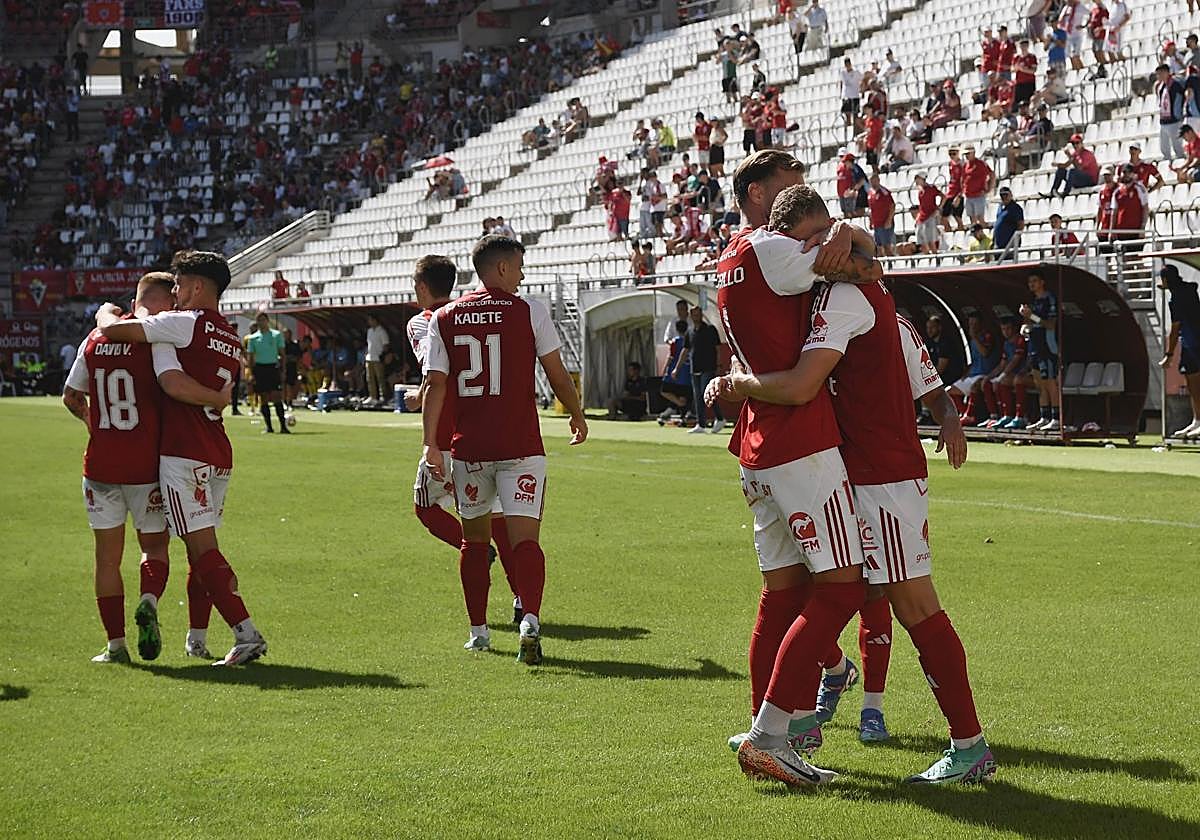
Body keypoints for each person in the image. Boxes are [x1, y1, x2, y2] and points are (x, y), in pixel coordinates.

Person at [714, 182, 993, 785]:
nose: (824, 250)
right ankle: (791, 722)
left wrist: (947, 418)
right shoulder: (843, 293)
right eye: (816, 241)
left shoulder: (848, 298)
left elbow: (806, 385)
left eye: (829, 239)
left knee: (910, 603)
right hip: (854, 469)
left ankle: (969, 745)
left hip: (881, 474)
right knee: (839, 594)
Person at [708, 154, 877, 787]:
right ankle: (769, 735)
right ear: (760, 194)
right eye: (789, 186)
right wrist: (842, 234)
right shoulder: (771, 250)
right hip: (798, 444)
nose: (804, 197)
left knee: (782, 596)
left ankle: (772, 737)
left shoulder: (735, 256)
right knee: (840, 589)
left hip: (758, 443)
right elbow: (860, 261)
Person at [96, 250, 268, 667]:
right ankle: (196, 636)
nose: (174, 293)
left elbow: (126, 341)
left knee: (202, 549)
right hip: (217, 451)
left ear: (195, 287)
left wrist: (103, 313)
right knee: (201, 549)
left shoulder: (183, 323)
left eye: (178, 284)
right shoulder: (229, 333)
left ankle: (246, 633)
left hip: (184, 453)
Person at [421, 235, 587, 664]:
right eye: (518, 266)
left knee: (474, 544)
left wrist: (430, 446)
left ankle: (478, 633)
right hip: (521, 447)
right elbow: (556, 372)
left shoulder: (445, 316)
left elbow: (434, 385)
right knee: (525, 541)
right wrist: (576, 413)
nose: (523, 274)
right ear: (500, 269)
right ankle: (529, 618)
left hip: (470, 449)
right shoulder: (530, 310)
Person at [63, 272, 228, 664]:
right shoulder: (156, 341)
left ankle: (115, 646)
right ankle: (149, 601)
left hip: (99, 464)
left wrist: (95, 426)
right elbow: (174, 386)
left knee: (106, 558)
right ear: (164, 303)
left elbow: (71, 397)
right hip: (146, 467)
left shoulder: (95, 337)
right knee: (154, 548)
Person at [405, 255, 522, 624]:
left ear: (423, 287)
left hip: (444, 436)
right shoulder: (469, 312)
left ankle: (473, 549)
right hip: (485, 430)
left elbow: (435, 372)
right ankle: (521, 598)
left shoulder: (423, 322)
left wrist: (419, 396)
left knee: (425, 507)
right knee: (501, 518)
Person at [1159, 264, 1200, 438]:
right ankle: (1197, 420)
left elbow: (1175, 328)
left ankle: (1199, 421)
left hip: (1193, 343)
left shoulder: (1175, 299)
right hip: (1192, 342)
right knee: (1191, 383)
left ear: (1166, 280)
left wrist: (1169, 354)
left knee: (1195, 382)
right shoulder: (1189, 290)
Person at [1020, 271, 1061, 431]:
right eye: (1030, 282)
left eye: (1035, 281)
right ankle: (1044, 417)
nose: (1032, 284)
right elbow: (1032, 321)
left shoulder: (1049, 299)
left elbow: (1050, 324)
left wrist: (1033, 316)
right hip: (1035, 346)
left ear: (1042, 282)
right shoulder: (1034, 301)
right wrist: (1025, 323)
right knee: (1039, 384)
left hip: (1047, 346)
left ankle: (1056, 418)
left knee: (1050, 382)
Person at [677, 307, 725, 434]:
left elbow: (718, 348)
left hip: (708, 367)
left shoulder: (710, 330)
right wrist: (677, 368)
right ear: (691, 316)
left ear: (701, 315)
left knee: (706, 393)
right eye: (693, 315)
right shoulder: (690, 332)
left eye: (698, 314)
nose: (696, 317)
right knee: (697, 396)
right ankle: (701, 424)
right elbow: (685, 350)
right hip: (695, 368)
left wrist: (719, 364)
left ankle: (720, 418)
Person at [980, 316, 1030, 429]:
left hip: (1022, 374)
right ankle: (995, 416)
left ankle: (1018, 417)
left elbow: (1015, 361)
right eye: (1003, 329)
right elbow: (1002, 364)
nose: (1005, 332)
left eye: (1008, 329)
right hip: (1011, 375)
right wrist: (989, 377)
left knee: (1003, 381)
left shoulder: (1020, 340)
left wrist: (1001, 376)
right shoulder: (1006, 343)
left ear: (1014, 328)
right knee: (988, 383)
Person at [950, 313, 1000, 424]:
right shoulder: (972, 340)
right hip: (973, 373)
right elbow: (973, 360)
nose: (972, 326)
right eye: (970, 324)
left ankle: (970, 415)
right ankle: (964, 413)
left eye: (975, 324)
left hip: (985, 373)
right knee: (950, 390)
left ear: (981, 324)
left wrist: (975, 337)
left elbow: (985, 353)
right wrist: (966, 373)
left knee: (975, 386)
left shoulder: (987, 336)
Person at [246, 313, 290, 434]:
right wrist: (251, 373)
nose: (261, 322)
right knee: (263, 397)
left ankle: (283, 426)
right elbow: (250, 357)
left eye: (263, 320)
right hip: (260, 369)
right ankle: (269, 426)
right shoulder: (253, 338)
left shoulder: (276, 335)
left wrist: (283, 370)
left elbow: (282, 354)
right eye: (259, 320)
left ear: (267, 321)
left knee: (276, 396)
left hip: (272, 368)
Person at [659, 318, 693, 423]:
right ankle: (682, 414)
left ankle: (677, 405)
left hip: (676, 370)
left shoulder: (676, 341)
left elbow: (671, 356)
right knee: (683, 394)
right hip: (687, 372)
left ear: (677, 329)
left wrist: (664, 368)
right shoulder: (690, 339)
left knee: (664, 390)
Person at [1156, 64, 1186, 160]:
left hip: (1175, 120)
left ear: (1166, 72)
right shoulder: (1161, 86)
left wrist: (1180, 112)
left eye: (1160, 73)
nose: (1159, 76)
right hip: (1164, 120)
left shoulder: (1176, 83)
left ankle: (1181, 160)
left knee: (1177, 145)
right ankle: (1167, 161)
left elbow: (1183, 96)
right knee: (1164, 145)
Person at [961, 145, 993, 228]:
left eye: (968, 153)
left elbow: (991, 174)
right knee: (972, 218)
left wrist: (989, 188)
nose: (967, 156)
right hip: (968, 195)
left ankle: (985, 235)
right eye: (966, 154)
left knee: (980, 218)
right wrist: (963, 190)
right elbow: (963, 179)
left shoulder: (980, 164)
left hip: (978, 195)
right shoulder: (965, 165)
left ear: (973, 153)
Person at [867, 172, 896, 257]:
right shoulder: (870, 194)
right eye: (871, 181)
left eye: (874, 180)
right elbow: (871, 209)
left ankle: (892, 265)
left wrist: (889, 220)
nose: (873, 183)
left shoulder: (884, 192)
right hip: (876, 224)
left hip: (885, 223)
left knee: (887, 246)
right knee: (878, 247)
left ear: (878, 180)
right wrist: (870, 220)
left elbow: (892, 206)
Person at [363, 314, 389, 405]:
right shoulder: (369, 331)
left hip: (378, 358)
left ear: (375, 320)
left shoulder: (382, 331)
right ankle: (372, 396)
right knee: (369, 379)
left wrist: (382, 355)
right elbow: (368, 344)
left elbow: (386, 345)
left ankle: (383, 397)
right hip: (369, 358)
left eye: (370, 320)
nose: (369, 322)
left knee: (380, 378)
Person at [914, 174, 943, 254]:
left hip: (930, 215)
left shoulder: (931, 188)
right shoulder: (920, 191)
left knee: (930, 239)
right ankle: (927, 255)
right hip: (922, 216)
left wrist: (938, 208)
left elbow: (943, 196)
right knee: (920, 238)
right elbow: (922, 205)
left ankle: (934, 254)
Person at [992, 186, 1025, 257]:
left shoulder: (1015, 208)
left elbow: (1021, 225)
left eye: (1006, 195)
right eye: (1002, 195)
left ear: (1011, 195)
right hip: (998, 244)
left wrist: (1014, 242)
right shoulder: (1000, 207)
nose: (1004, 197)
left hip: (1009, 245)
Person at [940, 148, 966, 232]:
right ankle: (950, 232)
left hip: (957, 193)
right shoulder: (950, 164)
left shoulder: (962, 165)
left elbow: (964, 180)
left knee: (957, 216)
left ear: (958, 153)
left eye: (954, 153)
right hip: (950, 192)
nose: (952, 156)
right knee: (944, 217)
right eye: (950, 154)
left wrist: (959, 195)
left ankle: (961, 233)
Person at [840, 58, 863, 127]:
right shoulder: (843, 73)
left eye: (848, 64)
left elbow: (862, 79)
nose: (847, 66)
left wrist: (861, 89)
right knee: (847, 114)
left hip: (855, 95)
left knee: (855, 113)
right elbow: (842, 82)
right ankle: (848, 127)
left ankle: (855, 128)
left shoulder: (856, 72)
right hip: (846, 95)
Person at [283, 327, 301, 405]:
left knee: (291, 385)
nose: (287, 335)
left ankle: (290, 402)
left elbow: (298, 357)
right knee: (283, 385)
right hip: (283, 367)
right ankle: (283, 401)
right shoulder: (281, 345)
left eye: (288, 334)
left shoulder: (295, 345)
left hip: (292, 367)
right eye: (285, 334)